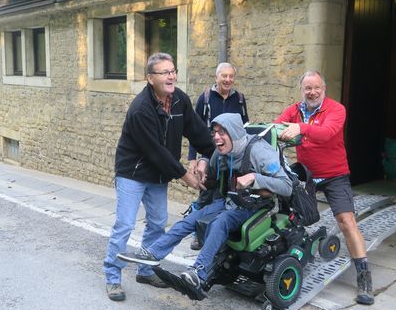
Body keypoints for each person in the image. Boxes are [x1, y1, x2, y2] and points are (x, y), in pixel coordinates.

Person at [117, 113, 292, 299]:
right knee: (191, 219)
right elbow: (213, 176)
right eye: (215, 132)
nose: (216, 137)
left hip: (255, 206)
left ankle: (198, 272)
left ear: (234, 132)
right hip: (229, 201)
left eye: (222, 132)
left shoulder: (260, 152)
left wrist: (254, 178)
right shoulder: (221, 153)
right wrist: (204, 164)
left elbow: (286, 186)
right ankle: (152, 253)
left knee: (220, 222)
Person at [103, 52, 215, 302]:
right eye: (165, 72)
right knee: (124, 225)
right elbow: (156, 151)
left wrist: (208, 156)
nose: (171, 76)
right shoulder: (140, 109)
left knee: (157, 222)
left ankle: (145, 270)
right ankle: (112, 277)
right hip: (133, 173)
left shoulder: (180, 101)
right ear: (150, 78)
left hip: (158, 174)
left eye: (173, 71)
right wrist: (185, 175)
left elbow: (198, 133)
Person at [275, 71, 374, 305]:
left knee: (346, 221)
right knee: (284, 213)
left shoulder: (336, 109)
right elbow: (277, 127)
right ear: (301, 90)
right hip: (307, 175)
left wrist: (300, 129)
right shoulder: (294, 110)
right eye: (307, 88)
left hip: (334, 174)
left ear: (324, 88)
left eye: (316, 88)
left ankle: (364, 276)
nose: (312, 92)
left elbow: (327, 133)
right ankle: (286, 257)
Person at [187, 62, 249, 250]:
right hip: (209, 153)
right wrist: (193, 159)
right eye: (224, 76)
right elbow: (193, 130)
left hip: (231, 157)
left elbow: (245, 128)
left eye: (231, 76)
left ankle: (219, 233)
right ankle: (197, 234)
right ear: (216, 77)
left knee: (226, 194)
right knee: (206, 194)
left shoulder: (239, 99)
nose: (228, 80)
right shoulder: (205, 98)